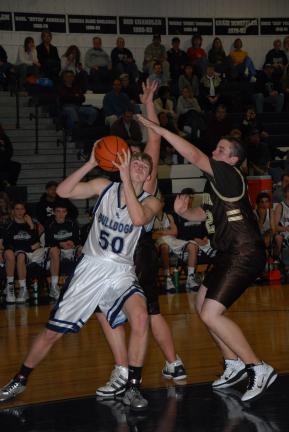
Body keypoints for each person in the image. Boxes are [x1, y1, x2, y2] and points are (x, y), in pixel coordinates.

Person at [0, 144, 161, 410]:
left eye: (145, 167)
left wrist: (128, 183)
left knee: (141, 317)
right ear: (124, 165)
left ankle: (133, 386)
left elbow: (136, 219)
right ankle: (20, 378)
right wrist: (89, 162)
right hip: (91, 267)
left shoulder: (152, 200)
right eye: (136, 163)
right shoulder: (103, 186)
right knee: (53, 332)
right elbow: (63, 192)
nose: (140, 167)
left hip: (121, 270)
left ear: (147, 178)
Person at [137, 115, 277, 403]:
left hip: (244, 251)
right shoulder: (219, 185)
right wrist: (185, 212)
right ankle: (233, 363)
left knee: (211, 313)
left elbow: (194, 154)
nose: (215, 152)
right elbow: (207, 215)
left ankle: (257, 367)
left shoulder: (226, 173)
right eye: (217, 148)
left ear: (233, 160)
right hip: (229, 253)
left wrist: (160, 130)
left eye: (222, 150)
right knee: (201, 305)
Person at [95, 81, 187, 400]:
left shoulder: (146, 175)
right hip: (130, 252)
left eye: (137, 157)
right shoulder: (121, 179)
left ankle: (124, 371)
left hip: (136, 253)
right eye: (129, 156)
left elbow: (155, 139)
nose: (134, 160)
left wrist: (148, 105)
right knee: (150, 311)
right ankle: (173, 363)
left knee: (115, 312)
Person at [3, 201, 45, 304]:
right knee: (11, 253)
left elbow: (37, 243)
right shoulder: (8, 225)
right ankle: (10, 288)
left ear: (25, 211)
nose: (19, 211)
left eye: (22, 209)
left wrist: (31, 226)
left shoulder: (31, 224)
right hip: (15, 254)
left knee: (21, 254)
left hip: (29, 255)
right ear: (13, 211)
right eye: (17, 209)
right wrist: (28, 246)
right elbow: (7, 244)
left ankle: (23, 289)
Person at [44, 199, 80, 300]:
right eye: (58, 211)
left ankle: (79, 284)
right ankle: (54, 287)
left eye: (63, 211)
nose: (61, 214)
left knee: (81, 250)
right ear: (54, 212)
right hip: (55, 251)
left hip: (69, 249)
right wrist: (60, 243)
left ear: (66, 212)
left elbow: (77, 239)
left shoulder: (72, 222)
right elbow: (48, 241)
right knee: (54, 250)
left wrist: (72, 243)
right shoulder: (49, 223)